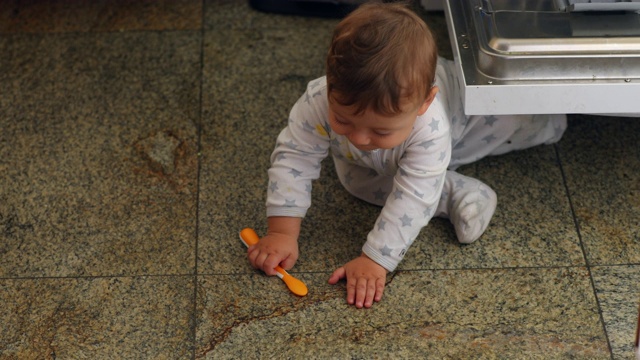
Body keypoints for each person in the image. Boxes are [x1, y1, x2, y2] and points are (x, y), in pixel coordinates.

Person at [247, 2, 566, 308]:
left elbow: (413, 196)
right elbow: (294, 158)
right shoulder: (318, 99)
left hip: (463, 126)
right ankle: (456, 191)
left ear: (424, 103)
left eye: (380, 131)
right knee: (356, 183)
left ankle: (549, 122)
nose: (359, 138)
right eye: (343, 119)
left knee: (516, 122)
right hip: (378, 164)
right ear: (330, 84)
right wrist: (281, 232)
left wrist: (375, 259)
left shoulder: (432, 124)